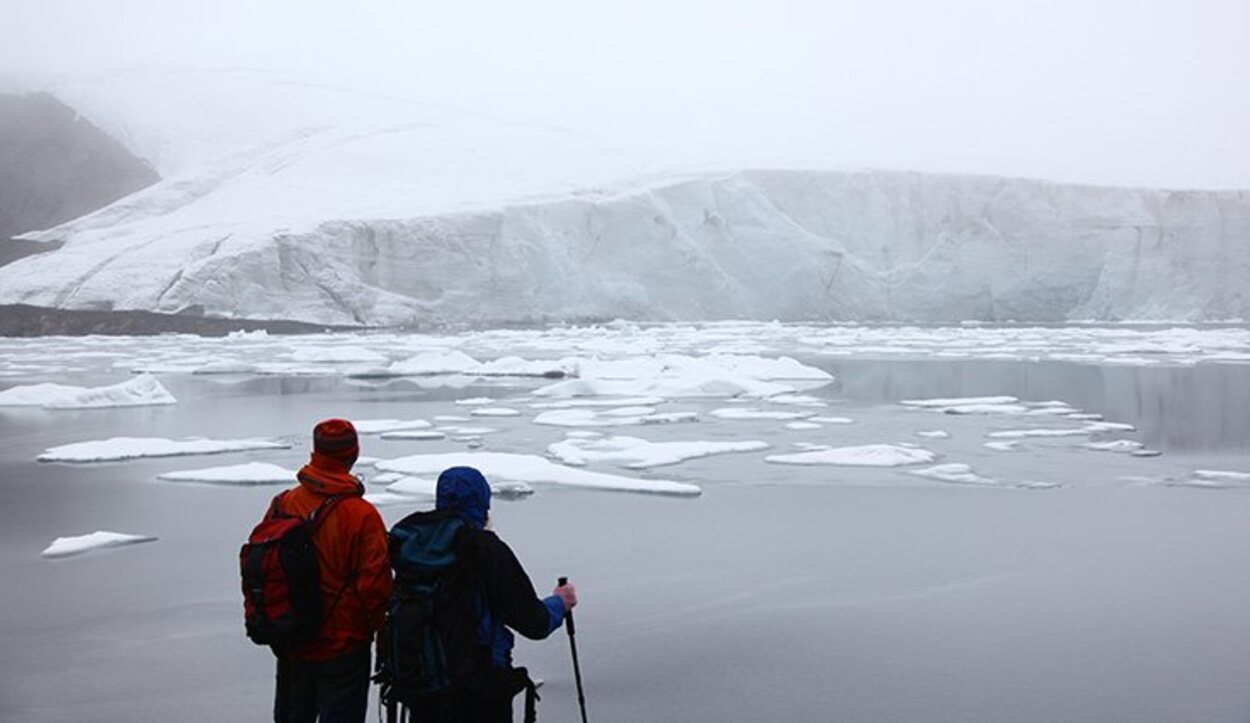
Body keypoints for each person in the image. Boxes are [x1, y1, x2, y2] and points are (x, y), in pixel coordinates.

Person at [411, 466, 578, 723]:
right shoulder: (486, 549)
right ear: (482, 501)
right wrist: (560, 603)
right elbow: (533, 621)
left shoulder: (414, 545)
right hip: (480, 684)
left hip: (423, 681)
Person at [272, 419, 393, 723]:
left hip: (293, 640)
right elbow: (374, 587)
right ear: (352, 454)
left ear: (316, 452)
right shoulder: (362, 515)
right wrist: (383, 636)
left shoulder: (283, 503)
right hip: (344, 645)